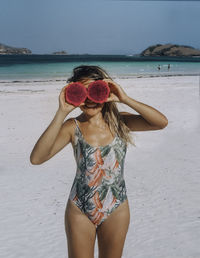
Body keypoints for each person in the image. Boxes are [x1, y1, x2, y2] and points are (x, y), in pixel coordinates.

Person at [30, 65, 168, 258]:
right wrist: (61, 112)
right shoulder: (72, 126)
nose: (89, 100)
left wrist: (125, 98)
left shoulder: (120, 122)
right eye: (82, 93)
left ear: (105, 92)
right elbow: (36, 158)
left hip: (116, 207)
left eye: (95, 91)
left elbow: (161, 122)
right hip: (80, 209)